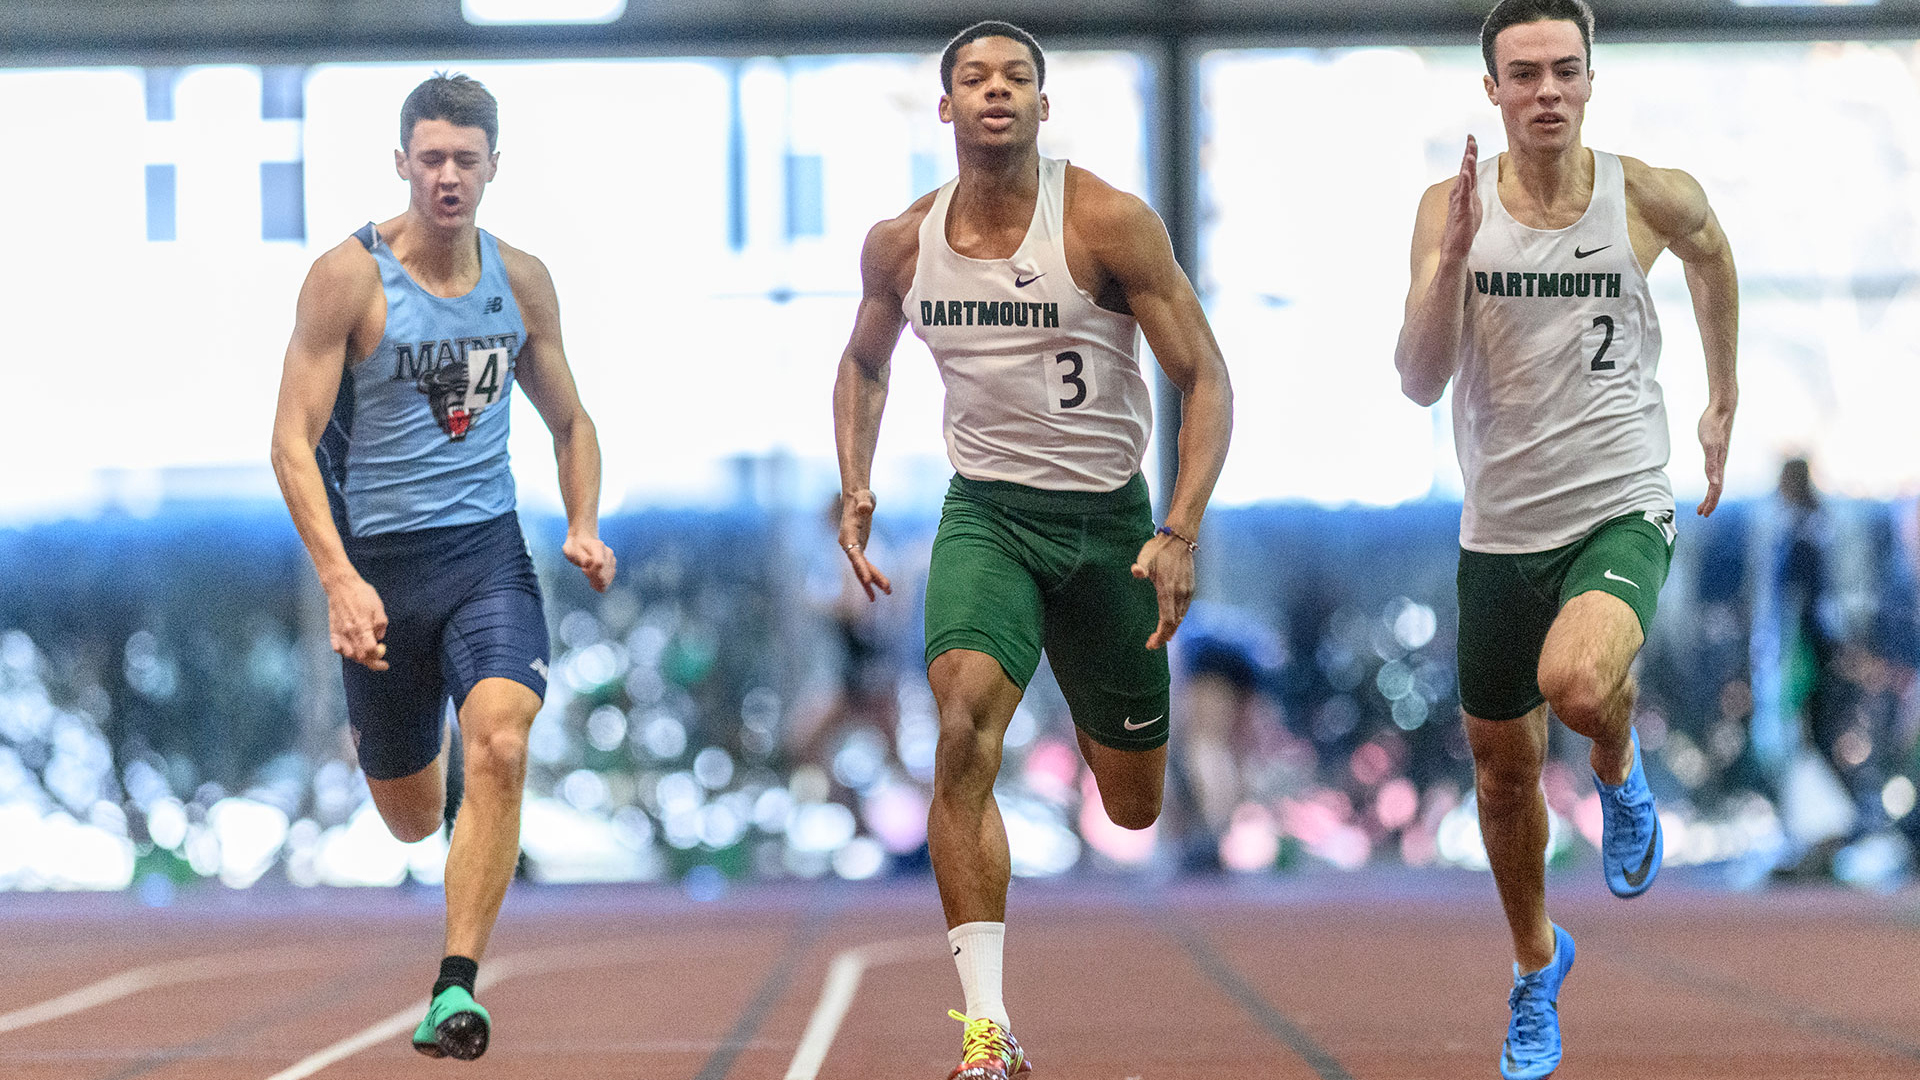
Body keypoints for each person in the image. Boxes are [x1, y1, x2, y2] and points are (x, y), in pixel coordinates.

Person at [831, 21, 1232, 1080]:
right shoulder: (901, 245)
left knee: (1133, 802)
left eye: (1016, 78)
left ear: (1044, 106)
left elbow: (1207, 377)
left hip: (1109, 529)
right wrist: (859, 478)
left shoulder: (1105, 223)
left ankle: (1131, 743)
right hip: (989, 520)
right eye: (974, 77)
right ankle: (985, 1029)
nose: (995, 91)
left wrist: (1179, 529)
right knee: (961, 724)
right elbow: (865, 363)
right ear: (947, 107)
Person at [1393, 2, 1738, 1076]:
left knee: (1579, 684)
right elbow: (1416, 381)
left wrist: (1722, 400)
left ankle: (1620, 764)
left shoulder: (1647, 194)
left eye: (1565, 71)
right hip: (1500, 529)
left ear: (1590, 81)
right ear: (1492, 90)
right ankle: (1537, 962)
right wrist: (1451, 259)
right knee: (1501, 776)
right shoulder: (1447, 209)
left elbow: (1713, 253)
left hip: (1620, 503)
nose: (1547, 90)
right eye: (1525, 74)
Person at [268, 73, 615, 1062]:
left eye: (467, 158)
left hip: (484, 556)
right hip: (379, 569)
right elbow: (291, 441)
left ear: (493, 166)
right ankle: (443, 778)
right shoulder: (349, 278)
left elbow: (571, 418)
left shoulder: (524, 280)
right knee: (413, 819)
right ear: (402, 163)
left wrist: (583, 518)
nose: (448, 176)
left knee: (502, 741)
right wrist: (338, 577)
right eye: (431, 158)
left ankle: (454, 989)